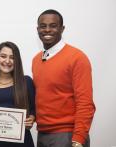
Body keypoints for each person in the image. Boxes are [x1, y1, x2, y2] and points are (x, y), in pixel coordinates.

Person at [32, 9, 96, 147]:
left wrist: (78, 139)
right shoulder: (36, 60)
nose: (47, 30)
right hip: (42, 134)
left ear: (62, 29)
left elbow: (85, 103)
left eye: (53, 26)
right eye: (43, 26)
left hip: (67, 135)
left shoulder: (77, 58)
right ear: (38, 29)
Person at [0, 41, 35, 147]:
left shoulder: (26, 82)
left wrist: (32, 118)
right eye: (3, 56)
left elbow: (34, 108)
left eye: (12, 57)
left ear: (17, 61)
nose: (7, 61)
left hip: (22, 142)